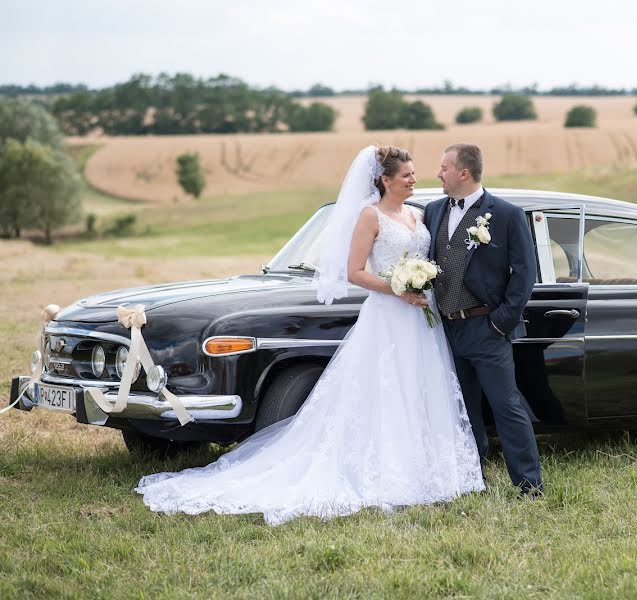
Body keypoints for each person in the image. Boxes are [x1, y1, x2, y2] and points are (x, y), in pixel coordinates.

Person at [135, 146, 484, 525]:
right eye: (407, 176)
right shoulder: (370, 217)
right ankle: (388, 468)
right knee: (386, 387)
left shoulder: (419, 215)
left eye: (414, 174)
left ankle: (428, 466)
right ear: (386, 181)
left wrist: (423, 284)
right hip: (389, 315)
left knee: (422, 386)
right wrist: (396, 287)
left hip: (421, 317)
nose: (415, 180)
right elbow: (354, 272)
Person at [423, 143, 543, 496]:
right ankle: (474, 480)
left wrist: (500, 322)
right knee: (462, 408)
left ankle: (529, 484)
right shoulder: (432, 211)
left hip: (486, 327)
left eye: (443, 167)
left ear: (463, 172)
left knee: (506, 407)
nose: (438, 173)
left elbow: (525, 274)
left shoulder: (505, 214)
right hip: (448, 327)